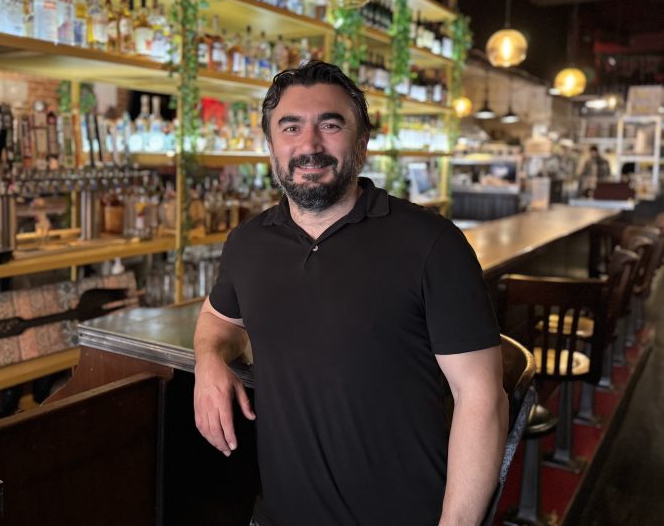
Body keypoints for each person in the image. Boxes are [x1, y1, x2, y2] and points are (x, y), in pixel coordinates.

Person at [193, 60, 508, 526]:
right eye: (291, 127)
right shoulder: (249, 242)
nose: (309, 145)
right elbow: (218, 319)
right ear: (270, 146)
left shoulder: (431, 244)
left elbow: (482, 397)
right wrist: (208, 361)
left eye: (331, 125)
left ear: (362, 141)